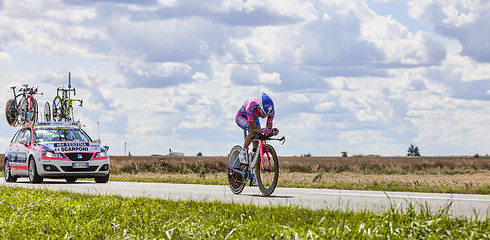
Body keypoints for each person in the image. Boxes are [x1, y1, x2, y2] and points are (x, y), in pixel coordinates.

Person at [235, 92, 279, 168]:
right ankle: (243, 152)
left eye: (267, 115)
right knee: (253, 132)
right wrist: (262, 130)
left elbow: (268, 128)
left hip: (254, 119)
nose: (265, 117)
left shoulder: (271, 111)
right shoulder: (251, 106)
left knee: (257, 141)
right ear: (259, 108)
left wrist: (271, 132)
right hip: (241, 117)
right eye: (264, 114)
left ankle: (252, 169)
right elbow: (253, 129)